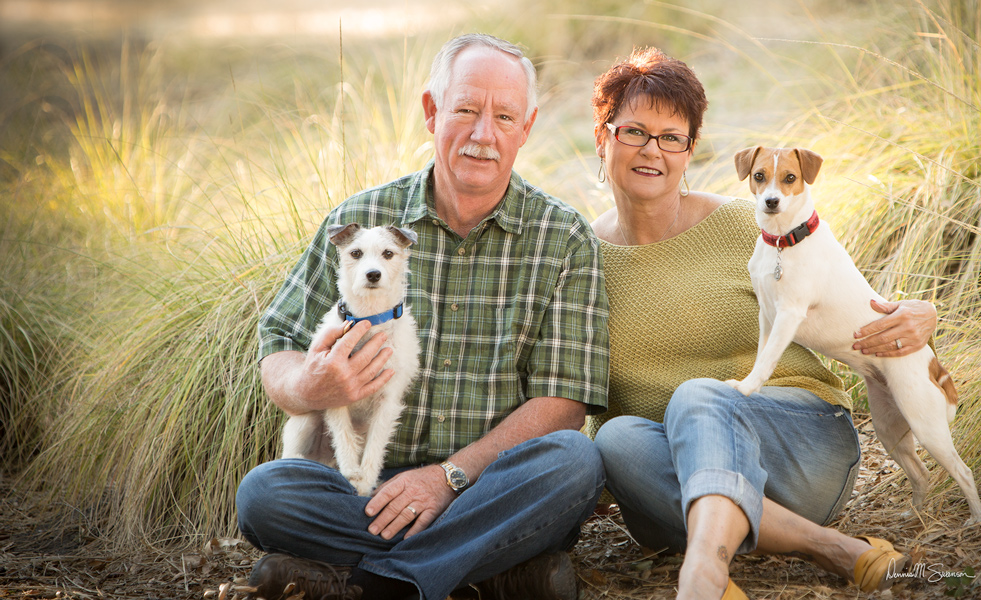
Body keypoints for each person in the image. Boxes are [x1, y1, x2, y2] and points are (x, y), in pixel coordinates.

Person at [236, 34, 610, 600]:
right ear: (432, 112)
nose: (484, 134)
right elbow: (279, 342)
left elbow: (564, 403)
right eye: (465, 110)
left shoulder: (564, 239)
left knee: (574, 463)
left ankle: (371, 581)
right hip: (363, 489)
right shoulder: (362, 221)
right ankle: (493, 571)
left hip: (486, 487)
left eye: (504, 116)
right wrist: (307, 382)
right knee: (265, 495)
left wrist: (447, 478)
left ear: (526, 128)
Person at [587, 47, 939, 599]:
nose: (651, 150)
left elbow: (843, 295)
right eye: (633, 131)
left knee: (697, 396)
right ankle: (830, 548)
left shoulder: (749, 224)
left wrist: (921, 313)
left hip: (801, 449)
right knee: (615, 438)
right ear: (603, 137)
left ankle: (704, 569)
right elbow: (582, 393)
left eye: (671, 136)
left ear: (689, 150)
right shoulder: (581, 261)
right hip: (670, 477)